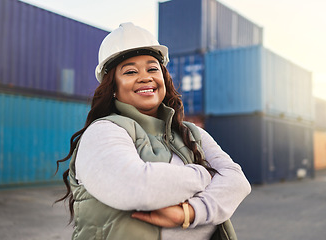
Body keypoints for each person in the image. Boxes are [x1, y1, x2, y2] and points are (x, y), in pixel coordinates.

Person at [56, 22, 251, 240]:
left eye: (152, 68)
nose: (145, 77)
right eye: (130, 71)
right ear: (112, 87)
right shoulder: (103, 132)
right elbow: (138, 187)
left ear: (163, 78)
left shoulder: (191, 133)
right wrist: (206, 174)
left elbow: (237, 180)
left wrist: (189, 212)